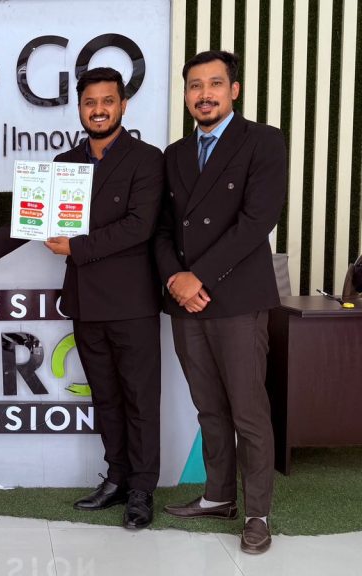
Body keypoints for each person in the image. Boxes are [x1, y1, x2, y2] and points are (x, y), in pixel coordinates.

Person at [0, 67, 163, 529]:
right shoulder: (64, 162)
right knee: (106, 397)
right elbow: (30, 216)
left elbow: (139, 226)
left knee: (140, 399)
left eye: (107, 101)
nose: (98, 110)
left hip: (132, 303)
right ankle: (117, 478)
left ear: (123, 105)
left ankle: (142, 489)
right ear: (80, 108)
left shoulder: (147, 160)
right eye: (90, 102)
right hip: (85, 302)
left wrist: (78, 246)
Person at [155, 50, 286, 554]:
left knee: (249, 411)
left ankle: (257, 514)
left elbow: (257, 221)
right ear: (186, 94)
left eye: (214, 84)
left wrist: (198, 277)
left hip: (237, 299)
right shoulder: (175, 154)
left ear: (234, 90)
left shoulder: (263, 141)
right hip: (186, 302)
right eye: (195, 85)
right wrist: (175, 279)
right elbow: (162, 230)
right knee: (208, 407)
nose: (203, 94)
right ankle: (218, 496)